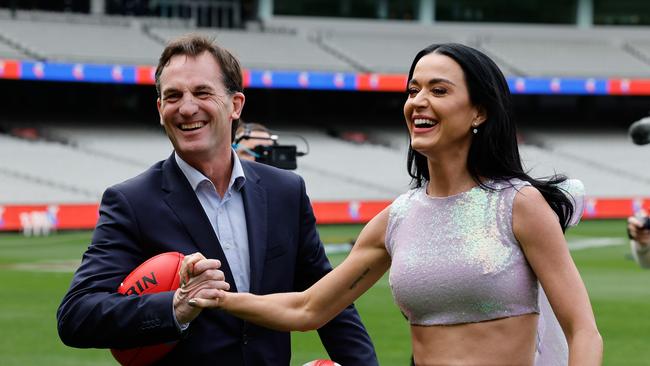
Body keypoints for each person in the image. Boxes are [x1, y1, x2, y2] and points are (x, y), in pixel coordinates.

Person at [181, 43, 603, 365]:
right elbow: (308, 307)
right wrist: (219, 299)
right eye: (413, 89)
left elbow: (582, 329)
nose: (418, 101)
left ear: (478, 112)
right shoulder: (396, 219)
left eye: (439, 90)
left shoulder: (519, 205)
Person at [56, 34, 378, 366]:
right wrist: (174, 307)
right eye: (173, 96)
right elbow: (77, 315)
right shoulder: (132, 202)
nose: (187, 108)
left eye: (202, 92)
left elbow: (332, 303)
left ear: (236, 104)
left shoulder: (286, 192)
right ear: (159, 109)